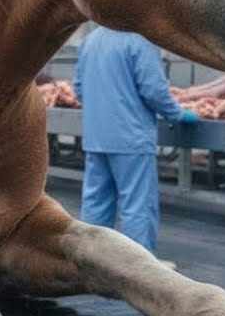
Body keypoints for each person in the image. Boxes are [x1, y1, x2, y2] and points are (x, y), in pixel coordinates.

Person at [73, 26, 199, 263]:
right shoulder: (139, 40)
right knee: (137, 206)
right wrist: (178, 114)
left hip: (97, 137)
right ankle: (141, 267)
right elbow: (153, 90)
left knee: (96, 204)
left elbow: (78, 88)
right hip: (130, 139)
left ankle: (91, 263)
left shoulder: (90, 41)